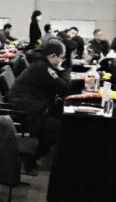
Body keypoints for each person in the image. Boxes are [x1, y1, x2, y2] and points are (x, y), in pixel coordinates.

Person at [7, 39, 72, 175]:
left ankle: (33, 156)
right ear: (52, 56)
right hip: (25, 111)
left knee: (59, 116)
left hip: (32, 106)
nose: (62, 60)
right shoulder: (43, 68)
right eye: (62, 57)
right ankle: (30, 158)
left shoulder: (41, 64)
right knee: (58, 127)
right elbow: (64, 88)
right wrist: (64, 70)